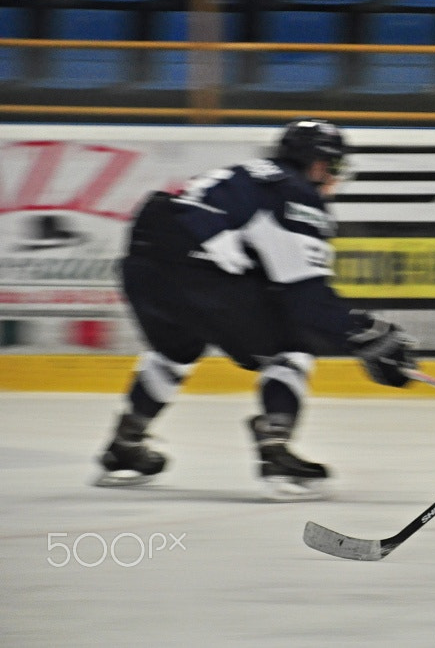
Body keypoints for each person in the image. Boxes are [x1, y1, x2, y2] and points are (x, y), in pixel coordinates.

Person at [94, 119, 418, 500]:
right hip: (197, 270)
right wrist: (365, 333)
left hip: (142, 265)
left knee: (174, 351)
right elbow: (305, 300)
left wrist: (355, 333)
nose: (335, 177)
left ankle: (125, 444)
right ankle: (275, 449)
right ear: (314, 164)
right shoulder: (296, 195)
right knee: (292, 347)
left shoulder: (246, 175)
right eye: (334, 166)